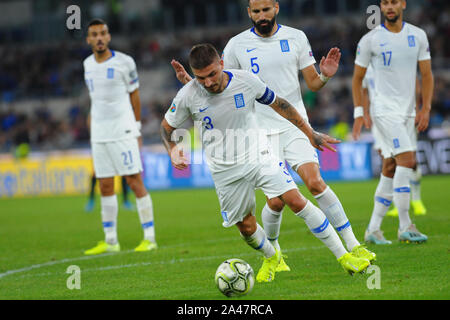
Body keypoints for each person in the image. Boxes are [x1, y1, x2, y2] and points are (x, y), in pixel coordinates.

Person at [171, 0, 375, 270]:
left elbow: (312, 82)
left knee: (313, 182)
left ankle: (353, 245)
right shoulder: (235, 45)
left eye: (266, 9)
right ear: (249, 13)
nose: (261, 15)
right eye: (256, 11)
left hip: (294, 123)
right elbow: (220, 84)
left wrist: (324, 77)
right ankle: (275, 256)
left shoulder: (296, 37)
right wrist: (191, 85)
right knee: (276, 202)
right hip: (259, 131)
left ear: (276, 8)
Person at [352, 0, 434, 244]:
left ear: (403, 4)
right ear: (381, 6)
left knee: (390, 166)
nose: (389, 6)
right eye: (385, 2)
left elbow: (427, 75)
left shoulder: (418, 36)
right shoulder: (370, 40)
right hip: (384, 112)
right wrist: (359, 113)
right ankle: (405, 225)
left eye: (394, 2)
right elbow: (357, 80)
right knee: (408, 160)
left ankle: (373, 229)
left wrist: (425, 108)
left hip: (408, 112)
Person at [83, 19, 157, 254]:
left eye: (103, 33)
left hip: (123, 130)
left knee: (134, 181)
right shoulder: (87, 64)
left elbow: (135, 96)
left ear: (109, 36)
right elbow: (97, 99)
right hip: (99, 133)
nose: (99, 38)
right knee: (104, 185)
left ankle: (150, 237)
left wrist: (136, 128)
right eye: (94, 34)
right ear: (88, 39)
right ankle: (111, 240)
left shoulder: (125, 62)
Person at [362, 66, 427, 222]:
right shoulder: (366, 65)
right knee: (388, 160)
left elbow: (414, 82)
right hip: (379, 119)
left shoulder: (393, 56)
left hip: (402, 115)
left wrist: (418, 109)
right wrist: (364, 113)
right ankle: (398, 205)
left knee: (410, 159)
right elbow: (364, 91)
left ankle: (416, 199)